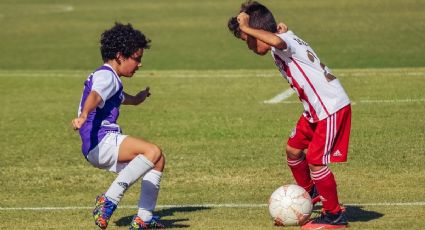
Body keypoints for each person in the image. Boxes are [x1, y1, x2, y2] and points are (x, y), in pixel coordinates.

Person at [228, 1, 351, 229]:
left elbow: (275, 40)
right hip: (314, 110)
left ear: (260, 33)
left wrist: (246, 27)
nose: (248, 46)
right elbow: (277, 39)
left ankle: (334, 216)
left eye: (248, 40)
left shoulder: (281, 42)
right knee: (293, 150)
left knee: (316, 162)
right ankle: (311, 194)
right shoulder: (283, 40)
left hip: (329, 107)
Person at [72, 22, 165, 229]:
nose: (139, 64)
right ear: (120, 56)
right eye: (137, 58)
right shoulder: (106, 76)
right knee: (152, 151)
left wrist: (138, 99)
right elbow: (95, 96)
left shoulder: (111, 78)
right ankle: (108, 200)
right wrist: (84, 115)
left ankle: (144, 218)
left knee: (158, 160)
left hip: (98, 143)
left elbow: (121, 98)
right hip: (101, 140)